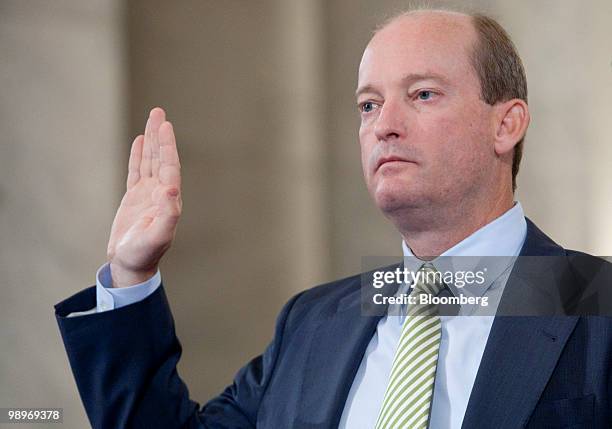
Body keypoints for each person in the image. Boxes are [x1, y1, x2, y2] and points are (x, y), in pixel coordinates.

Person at [55, 8, 611, 429]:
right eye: (368, 104)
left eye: (422, 94)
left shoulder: (595, 302)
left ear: (506, 124)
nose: (384, 125)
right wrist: (130, 276)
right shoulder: (312, 323)